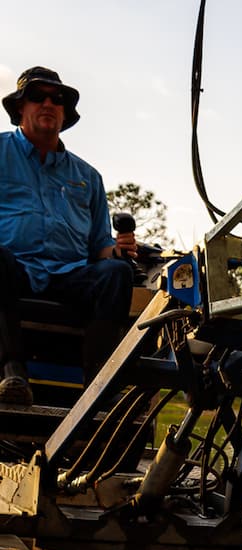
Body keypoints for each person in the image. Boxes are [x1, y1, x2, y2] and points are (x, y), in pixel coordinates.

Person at [0, 66, 136, 406]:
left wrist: (118, 251)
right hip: (11, 269)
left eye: (57, 98)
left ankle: (97, 389)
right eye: (37, 96)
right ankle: (12, 372)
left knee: (117, 273)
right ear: (20, 108)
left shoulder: (88, 176)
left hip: (69, 275)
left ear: (65, 112)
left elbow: (100, 246)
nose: (48, 103)